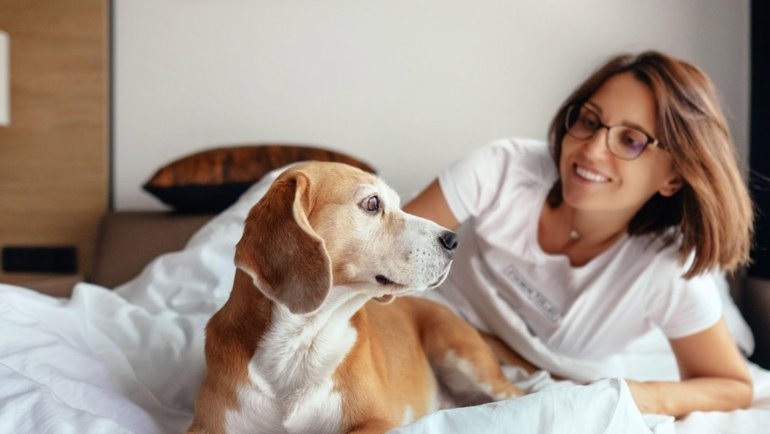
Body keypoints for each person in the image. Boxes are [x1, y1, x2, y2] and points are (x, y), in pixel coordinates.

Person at [404, 51, 754, 417]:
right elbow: (388, 254)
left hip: (533, 380)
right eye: (589, 121)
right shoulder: (502, 170)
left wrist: (631, 396)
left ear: (673, 177)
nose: (591, 149)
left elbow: (733, 385)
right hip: (420, 328)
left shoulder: (668, 268)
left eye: (630, 140)